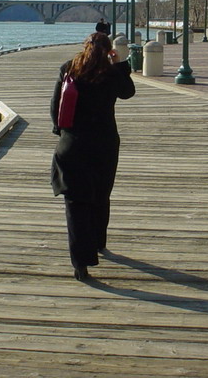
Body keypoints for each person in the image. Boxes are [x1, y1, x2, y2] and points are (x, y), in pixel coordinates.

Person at [50, 32, 135, 281]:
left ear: (84, 47)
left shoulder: (68, 69)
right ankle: (98, 242)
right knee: (100, 194)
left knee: (76, 203)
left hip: (73, 143)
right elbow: (128, 93)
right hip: (104, 144)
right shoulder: (112, 73)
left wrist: (63, 133)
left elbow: (56, 108)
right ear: (109, 50)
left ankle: (81, 263)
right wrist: (119, 63)